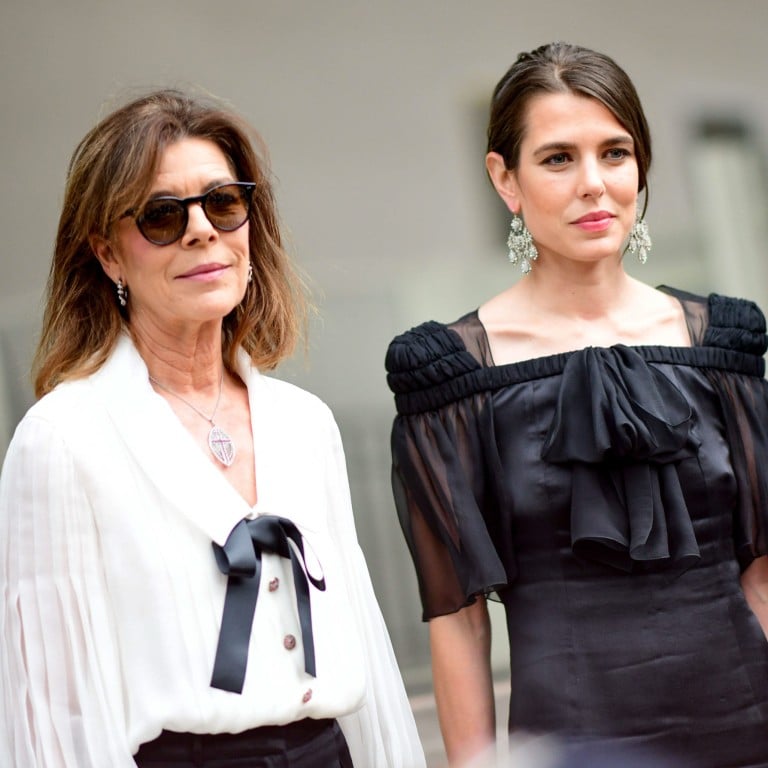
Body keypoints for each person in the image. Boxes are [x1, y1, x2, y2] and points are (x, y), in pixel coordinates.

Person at [0, 89, 426, 768]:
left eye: (223, 204)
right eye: (162, 216)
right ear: (109, 255)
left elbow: (366, 653)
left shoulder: (304, 424)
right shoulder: (62, 440)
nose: (202, 230)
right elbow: (53, 718)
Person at [386, 42, 768, 768]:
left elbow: (762, 578)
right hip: (570, 743)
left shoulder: (723, 344)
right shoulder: (452, 377)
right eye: (559, 158)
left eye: (615, 153)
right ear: (506, 179)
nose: (594, 184)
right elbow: (459, 621)